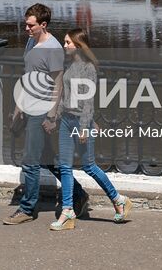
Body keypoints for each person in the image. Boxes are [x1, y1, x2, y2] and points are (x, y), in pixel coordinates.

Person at [4, 3, 86, 225]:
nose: (26, 29)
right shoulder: (31, 42)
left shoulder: (53, 48)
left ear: (43, 24)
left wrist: (51, 116)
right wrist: (18, 107)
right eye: (26, 25)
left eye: (31, 25)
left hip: (43, 109)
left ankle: (27, 208)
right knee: (49, 159)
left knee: (30, 160)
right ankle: (78, 194)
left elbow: (58, 84)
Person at [46, 28, 131, 231]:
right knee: (65, 167)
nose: (64, 45)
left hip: (80, 123)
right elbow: (65, 97)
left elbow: (88, 102)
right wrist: (54, 118)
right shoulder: (71, 65)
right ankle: (67, 212)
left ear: (78, 45)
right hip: (66, 121)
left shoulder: (88, 68)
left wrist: (85, 127)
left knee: (89, 166)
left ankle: (119, 200)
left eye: (67, 42)